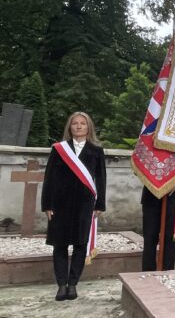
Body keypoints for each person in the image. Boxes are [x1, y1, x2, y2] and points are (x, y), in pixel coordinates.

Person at [41, 112, 106, 301]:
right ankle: (61, 285)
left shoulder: (96, 151)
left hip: (84, 204)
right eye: (74, 124)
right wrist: (47, 204)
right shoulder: (59, 149)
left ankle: (72, 284)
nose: (78, 126)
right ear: (69, 127)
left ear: (88, 127)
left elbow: (101, 179)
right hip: (60, 204)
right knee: (59, 245)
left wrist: (100, 203)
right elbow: (49, 178)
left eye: (82, 124)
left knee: (80, 244)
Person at [141, 172, 175, 271]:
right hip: (151, 195)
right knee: (149, 237)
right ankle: (148, 271)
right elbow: (138, 167)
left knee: (169, 238)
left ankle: (167, 271)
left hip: (172, 196)